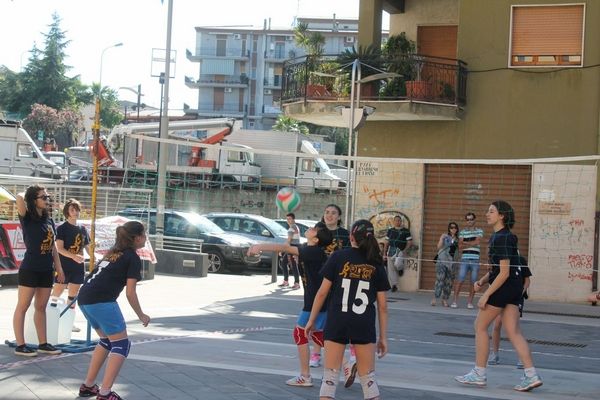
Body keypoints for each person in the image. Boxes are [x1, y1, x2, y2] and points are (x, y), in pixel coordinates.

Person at [455, 200, 543, 392]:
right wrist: (482, 281)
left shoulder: (501, 238)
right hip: (514, 288)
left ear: (501, 215)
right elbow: (498, 269)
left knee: (480, 326)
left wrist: (486, 295)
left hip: (504, 287)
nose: (487, 214)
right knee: (513, 331)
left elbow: (503, 273)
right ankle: (531, 375)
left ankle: (479, 373)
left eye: (491, 211)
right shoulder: (507, 236)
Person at [305, 219, 389, 400]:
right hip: (363, 322)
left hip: (338, 320)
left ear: (351, 237)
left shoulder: (338, 257)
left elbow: (322, 293)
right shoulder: (376, 263)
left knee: (330, 378)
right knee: (368, 380)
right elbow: (383, 306)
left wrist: (311, 320)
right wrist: (383, 337)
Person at [247, 222, 333, 387]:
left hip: (314, 301)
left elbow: (284, 248)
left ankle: (305, 376)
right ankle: (346, 364)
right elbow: (287, 247)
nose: (310, 228)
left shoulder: (312, 251)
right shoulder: (311, 249)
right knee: (317, 335)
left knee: (300, 334)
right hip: (318, 300)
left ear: (316, 239)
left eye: (314, 230)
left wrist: (259, 246)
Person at [77, 221, 151, 400]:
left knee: (106, 341)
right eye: (144, 234)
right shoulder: (132, 257)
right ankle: (105, 393)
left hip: (85, 297)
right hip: (101, 300)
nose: (146, 237)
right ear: (137, 238)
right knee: (121, 344)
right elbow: (130, 292)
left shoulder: (113, 252)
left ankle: (88, 386)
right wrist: (141, 315)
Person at [13, 185, 65, 357]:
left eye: (47, 197)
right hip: (30, 268)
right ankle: (20, 345)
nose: (46, 200)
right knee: (23, 306)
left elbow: (53, 246)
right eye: (43, 197)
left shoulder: (48, 220)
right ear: (33, 200)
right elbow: (19, 197)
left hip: (46, 269)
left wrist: (59, 268)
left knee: (41, 307)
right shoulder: (27, 217)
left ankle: (43, 343)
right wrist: (29, 194)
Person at [317, 204, 352, 373]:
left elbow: (350, 257)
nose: (329, 215)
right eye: (327, 212)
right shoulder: (317, 231)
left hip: (339, 280)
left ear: (339, 216)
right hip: (320, 278)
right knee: (319, 316)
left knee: (340, 317)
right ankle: (316, 353)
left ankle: (350, 352)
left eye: (333, 213)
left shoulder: (345, 234)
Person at [51, 199, 90, 333]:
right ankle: (49, 318)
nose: (75, 212)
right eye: (72, 210)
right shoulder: (62, 228)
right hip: (64, 266)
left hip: (78, 267)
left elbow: (87, 246)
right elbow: (59, 248)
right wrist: (73, 256)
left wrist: (95, 257)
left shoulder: (82, 228)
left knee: (73, 295)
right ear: (67, 212)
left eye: (77, 209)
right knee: (57, 293)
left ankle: (68, 322)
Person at [487, 255, 531, 368]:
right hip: (502, 296)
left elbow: (527, 280)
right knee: (497, 324)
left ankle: (522, 358)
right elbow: (491, 275)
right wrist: (481, 283)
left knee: (514, 327)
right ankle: (495, 354)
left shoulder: (520, 260)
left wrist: (520, 292)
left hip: (515, 298)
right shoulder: (500, 259)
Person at [451, 212, 484, 309]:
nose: (469, 221)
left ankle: (470, 302)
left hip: (475, 260)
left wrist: (465, 242)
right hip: (464, 259)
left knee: (473, 282)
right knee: (460, 280)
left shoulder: (479, 231)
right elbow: (460, 246)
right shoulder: (462, 232)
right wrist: (472, 243)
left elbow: (477, 241)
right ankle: (454, 301)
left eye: (471, 219)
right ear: (466, 221)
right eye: (468, 219)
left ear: (475, 220)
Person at [431, 222, 459, 307]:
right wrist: (441, 239)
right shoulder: (445, 236)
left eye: (455, 227)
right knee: (440, 279)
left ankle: (445, 299)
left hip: (452, 263)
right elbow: (439, 247)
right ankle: (435, 298)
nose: (453, 229)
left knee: (449, 282)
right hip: (442, 260)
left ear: (457, 229)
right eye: (451, 227)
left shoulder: (458, 239)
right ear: (449, 229)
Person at [383, 215, 412, 292]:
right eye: (396, 220)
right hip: (391, 250)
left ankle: (400, 269)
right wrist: (384, 253)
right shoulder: (390, 231)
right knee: (391, 269)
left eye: (399, 220)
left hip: (400, 250)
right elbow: (386, 242)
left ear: (401, 221)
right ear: (394, 221)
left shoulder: (406, 231)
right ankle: (394, 285)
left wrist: (405, 250)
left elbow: (409, 242)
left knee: (397, 264)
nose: (397, 222)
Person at [278, 212, 301, 290]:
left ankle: (296, 283)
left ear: (293, 219)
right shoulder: (295, 226)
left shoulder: (292, 227)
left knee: (293, 265)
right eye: (287, 219)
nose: (288, 220)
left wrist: (282, 250)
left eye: (289, 219)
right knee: (284, 263)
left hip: (292, 247)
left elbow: (289, 240)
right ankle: (286, 281)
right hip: (293, 247)